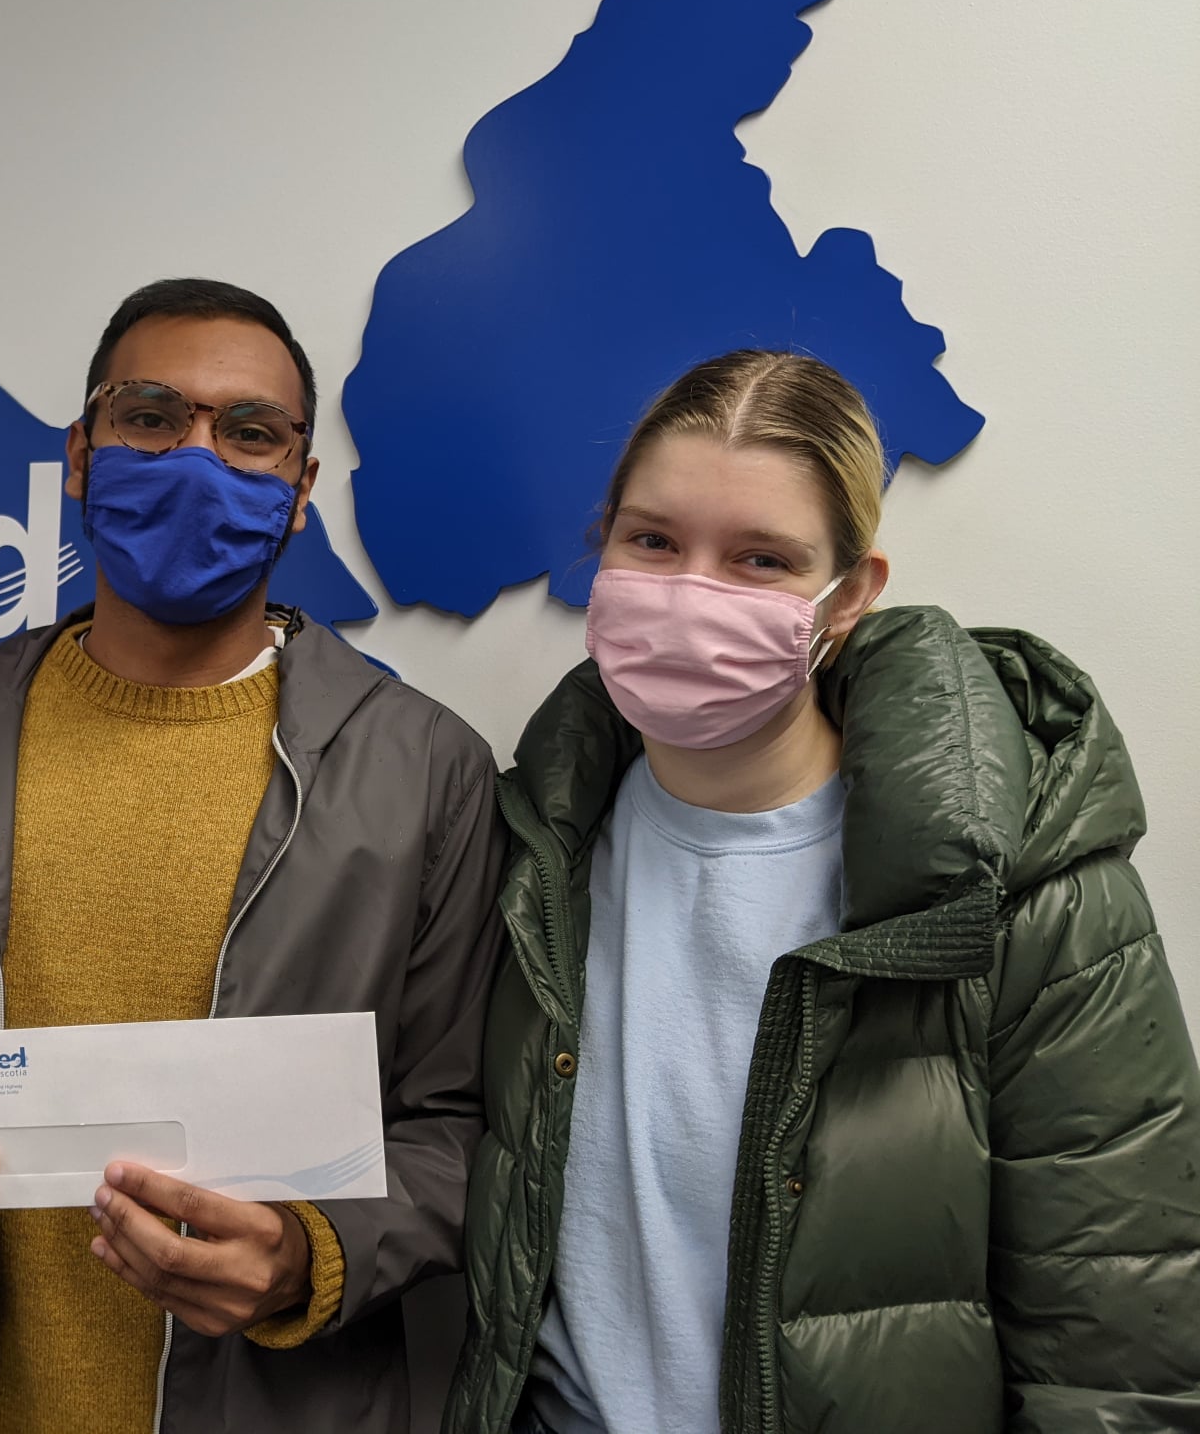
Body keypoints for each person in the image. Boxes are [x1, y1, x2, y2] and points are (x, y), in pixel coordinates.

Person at [0, 278, 506, 1434]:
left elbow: (461, 1126)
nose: (196, 459)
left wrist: (304, 1255)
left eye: (250, 433)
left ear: (301, 488)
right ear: (82, 452)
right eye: (152, 417)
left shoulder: (428, 773)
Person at [448, 350, 1200, 1433]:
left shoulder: (1024, 892)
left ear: (847, 598)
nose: (692, 594)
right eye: (653, 541)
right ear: (601, 544)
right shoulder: (529, 855)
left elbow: (1121, 1344)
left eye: (761, 560)